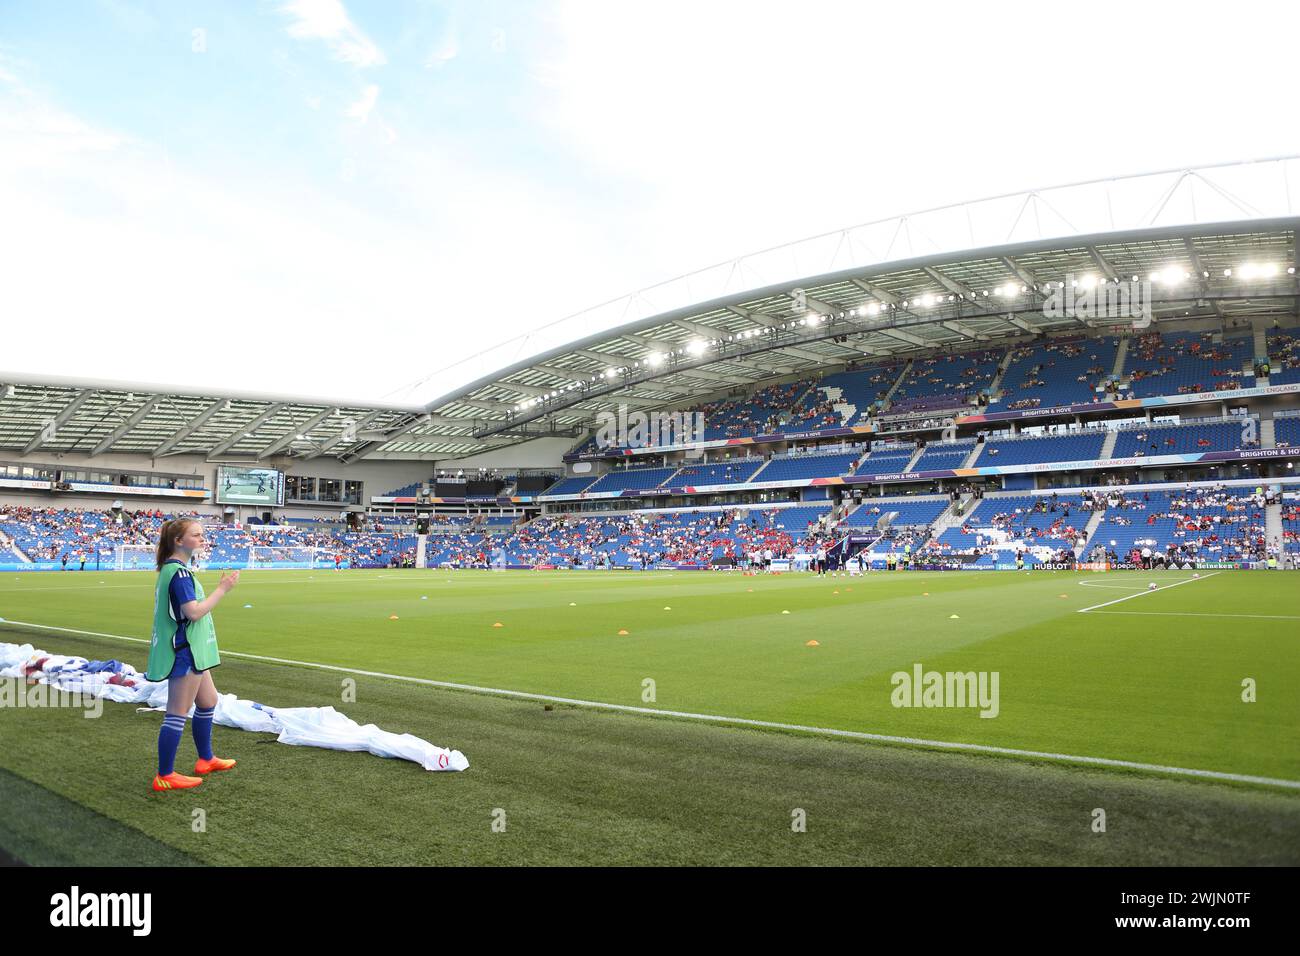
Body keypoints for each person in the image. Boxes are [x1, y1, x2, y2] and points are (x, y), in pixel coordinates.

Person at [145, 518, 241, 792]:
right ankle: (164, 774)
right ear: (178, 541)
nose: (202, 539)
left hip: (193, 650)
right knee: (176, 713)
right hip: (184, 651)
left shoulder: (174, 570)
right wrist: (223, 589)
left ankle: (206, 758)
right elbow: (194, 612)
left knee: (208, 701)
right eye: (196, 535)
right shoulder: (179, 573)